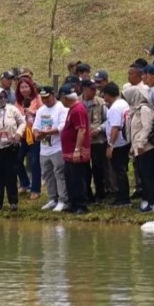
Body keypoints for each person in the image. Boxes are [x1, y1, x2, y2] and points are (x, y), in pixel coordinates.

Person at [124, 85, 154, 212]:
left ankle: (153, 201)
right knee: (143, 175)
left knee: (148, 175)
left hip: (146, 148)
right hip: (139, 149)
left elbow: (147, 127)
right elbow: (134, 131)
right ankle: (147, 199)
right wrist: (133, 146)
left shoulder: (144, 109)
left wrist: (140, 144)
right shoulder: (134, 110)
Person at [34, 86, 69, 212]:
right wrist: (37, 133)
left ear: (53, 95)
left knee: (59, 173)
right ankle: (52, 198)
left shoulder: (61, 108)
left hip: (57, 147)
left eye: (47, 97)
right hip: (44, 148)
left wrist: (47, 132)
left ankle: (63, 200)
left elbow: (62, 126)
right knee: (47, 174)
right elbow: (35, 126)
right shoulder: (41, 110)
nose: (45, 100)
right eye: (42, 98)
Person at [61, 87, 92, 215]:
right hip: (69, 152)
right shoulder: (72, 109)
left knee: (78, 178)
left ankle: (81, 205)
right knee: (70, 178)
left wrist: (77, 149)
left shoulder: (78, 110)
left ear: (65, 98)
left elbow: (82, 130)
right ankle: (73, 203)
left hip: (76, 151)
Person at [80, 79, 108, 204]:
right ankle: (87, 194)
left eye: (95, 88)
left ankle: (100, 195)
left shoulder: (101, 103)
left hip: (98, 141)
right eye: (91, 89)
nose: (94, 91)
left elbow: (108, 120)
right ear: (84, 89)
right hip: (82, 142)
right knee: (84, 170)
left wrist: (99, 128)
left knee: (98, 169)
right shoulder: (77, 103)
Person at [103, 82, 131, 207]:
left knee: (119, 171)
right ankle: (123, 196)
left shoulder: (114, 108)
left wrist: (110, 146)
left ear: (108, 95)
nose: (104, 98)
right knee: (122, 170)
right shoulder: (123, 103)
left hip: (118, 144)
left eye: (104, 95)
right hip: (125, 142)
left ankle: (123, 198)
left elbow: (115, 128)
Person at [15, 75, 43, 200]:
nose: (24, 89)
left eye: (26, 87)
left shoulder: (37, 99)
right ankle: (25, 183)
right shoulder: (18, 102)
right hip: (23, 135)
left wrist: (33, 113)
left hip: (35, 134)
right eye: (22, 87)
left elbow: (44, 113)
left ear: (31, 87)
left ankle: (36, 189)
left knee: (34, 161)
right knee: (16, 159)